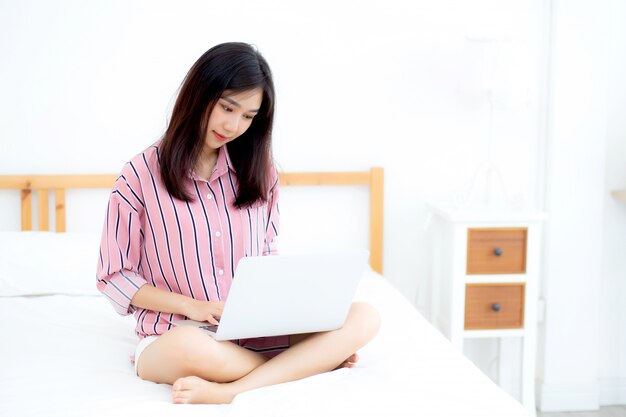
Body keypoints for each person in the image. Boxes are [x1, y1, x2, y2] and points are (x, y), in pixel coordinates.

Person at [96, 42, 381, 405]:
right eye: (227, 108)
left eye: (248, 116)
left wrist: (294, 308)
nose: (233, 126)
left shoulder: (261, 173)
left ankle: (232, 389)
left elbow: (266, 253)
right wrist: (193, 307)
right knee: (192, 348)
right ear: (199, 95)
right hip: (177, 334)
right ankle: (309, 363)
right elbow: (114, 277)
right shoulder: (139, 175)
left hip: (256, 330)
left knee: (365, 316)